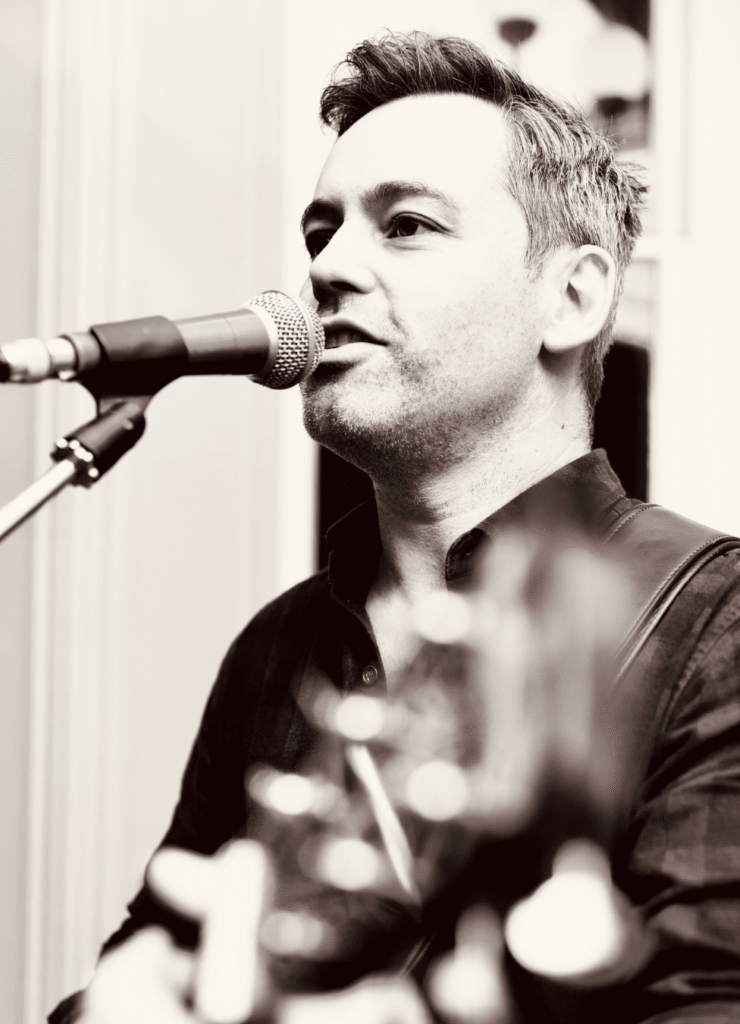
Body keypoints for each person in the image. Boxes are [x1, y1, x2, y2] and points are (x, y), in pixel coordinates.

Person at [52, 32, 740, 1024]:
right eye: (320, 232)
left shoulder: (717, 619)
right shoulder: (279, 646)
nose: (328, 269)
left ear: (574, 297)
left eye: (406, 224)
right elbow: (156, 963)